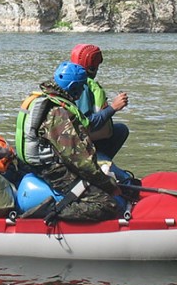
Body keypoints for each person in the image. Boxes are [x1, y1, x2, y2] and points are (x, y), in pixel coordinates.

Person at [13, 61, 125, 223]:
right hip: (52, 172)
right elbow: (80, 161)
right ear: (73, 87)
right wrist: (108, 185)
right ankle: (53, 212)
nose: (80, 94)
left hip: (31, 165)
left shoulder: (43, 98)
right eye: (80, 88)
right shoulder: (58, 112)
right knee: (106, 204)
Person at [69, 43, 130, 159]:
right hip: (79, 142)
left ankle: (100, 161)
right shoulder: (83, 87)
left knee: (121, 129)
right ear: (93, 67)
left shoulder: (69, 81)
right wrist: (114, 107)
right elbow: (87, 123)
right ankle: (97, 162)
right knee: (121, 130)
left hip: (80, 137)